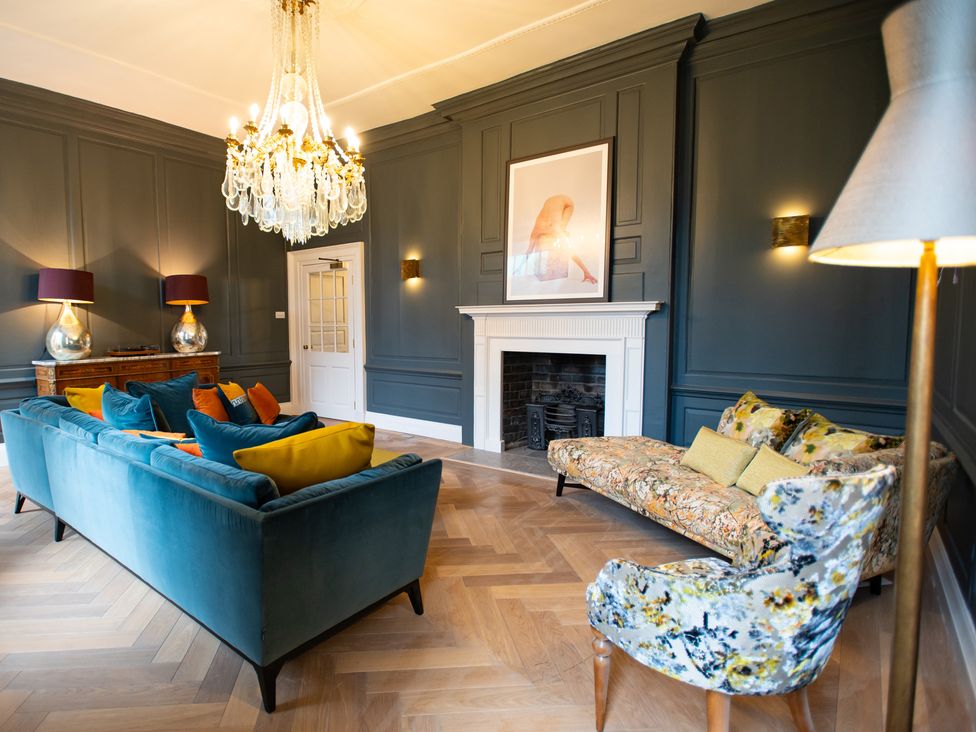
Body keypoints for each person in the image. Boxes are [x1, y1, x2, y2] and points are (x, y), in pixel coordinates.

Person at [524, 194, 597, 284]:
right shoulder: (539, 229)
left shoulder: (547, 229)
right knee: (562, 233)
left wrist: (586, 271)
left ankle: (562, 236)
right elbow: (529, 251)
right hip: (550, 200)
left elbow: (571, 252)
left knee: (563, 234)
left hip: (567, 203)